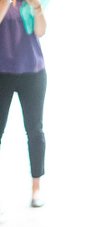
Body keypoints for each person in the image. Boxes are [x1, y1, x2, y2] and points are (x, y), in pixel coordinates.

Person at [0, 0, 47, 207]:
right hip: (2, 73)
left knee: (35, 131)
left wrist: (37, 7)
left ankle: (36, 189)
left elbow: (41, 31)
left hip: (33, 72)